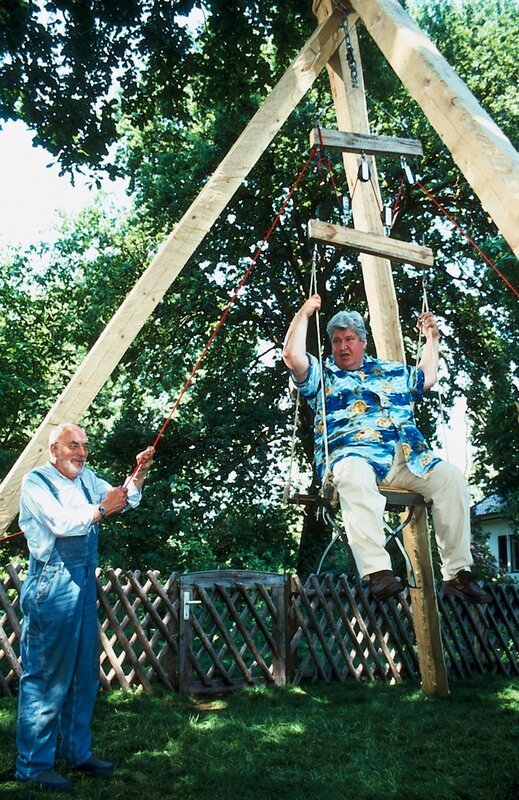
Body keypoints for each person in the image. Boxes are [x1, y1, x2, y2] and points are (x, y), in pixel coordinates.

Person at [282, 293, 491, 605]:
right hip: (351, 455)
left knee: (451, 478)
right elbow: (292, 356)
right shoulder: (321, 373)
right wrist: (303, 313)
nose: (343, 346)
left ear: (363, 342)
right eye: (337, 340)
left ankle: (456, 575)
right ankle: (378, 573)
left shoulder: (391, 372)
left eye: (350, 339)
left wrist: (431, 339)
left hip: (405, 456)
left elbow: (427, 376)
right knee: (353, 474)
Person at [15, 422, 155, 792]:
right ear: (54, 450)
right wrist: (100, 509)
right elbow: (63, 524)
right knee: (46, 677)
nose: (80, 452)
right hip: (52, 585)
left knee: (83, 674)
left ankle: (77, 753)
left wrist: (138, 474)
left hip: (81, 583)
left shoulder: (86, 478)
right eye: (72, 445)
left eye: (85, 446)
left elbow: (123, 499)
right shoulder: (35, 483)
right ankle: (33, 765)